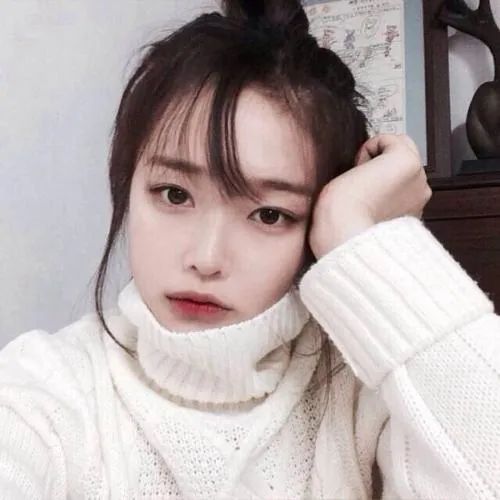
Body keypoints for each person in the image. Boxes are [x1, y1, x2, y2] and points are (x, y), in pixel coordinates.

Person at [1, 1, 499, 498]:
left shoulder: (369, 390)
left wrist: (361, 234)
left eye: (269, 215)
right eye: (174, 194)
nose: (206, 259)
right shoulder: (44, 387)